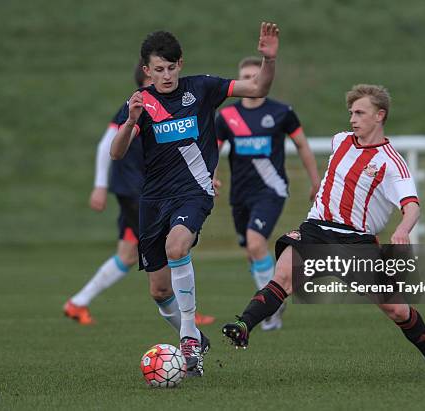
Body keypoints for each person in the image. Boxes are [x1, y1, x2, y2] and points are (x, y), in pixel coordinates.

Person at [222, 84, 425, 381]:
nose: (353, 119)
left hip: (356, 241)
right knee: (282, 278)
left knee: (398, 311)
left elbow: (411, 206)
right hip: (316, 230)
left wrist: (402, 229)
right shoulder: (340, 141)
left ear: (380, 115)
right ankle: (243, 325)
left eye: (360, 113)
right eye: (351, 113)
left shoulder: (391, 163)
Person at [110, 22, 281, 377]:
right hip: (153, 199)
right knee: (158, 291)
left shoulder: (201, 88)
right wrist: (130, 122)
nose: (167, 75)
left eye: (172, 67)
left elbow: (258, 85)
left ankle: (188, 335)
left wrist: (269, 60)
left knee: (177, 246)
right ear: (147, 70)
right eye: (159, 69)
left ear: (181, 64)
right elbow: (116, 152)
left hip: (194, 193)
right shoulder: (141, 104)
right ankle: (196, 340)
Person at [63, 61, 215, 327]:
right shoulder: (137, 106)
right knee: (174, 245)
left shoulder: (161, 108)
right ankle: (188, 314)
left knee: (128, 253)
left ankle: (78, 302)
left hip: (139, 190)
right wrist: (100, 185)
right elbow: (105, 145)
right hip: (138, 191)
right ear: (147, 79)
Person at [214, 56, 320, 330]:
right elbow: (212, 149)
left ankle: (270, 303)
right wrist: (210, 176)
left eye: (255, 75)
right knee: (251, 251)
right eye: (245, 76)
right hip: (239, 194)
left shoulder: (282, 112)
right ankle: (274, 299)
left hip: (271, 190)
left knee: (254, 242)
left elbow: (302, 146)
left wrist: (316, 180)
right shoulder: (227, 116)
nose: (251, 80)